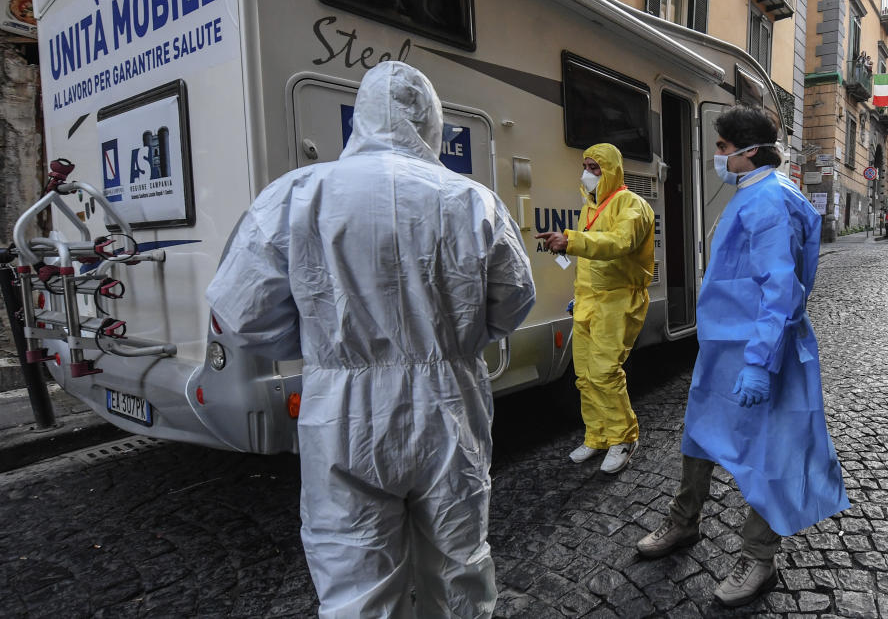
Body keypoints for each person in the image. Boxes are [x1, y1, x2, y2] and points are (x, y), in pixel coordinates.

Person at [206, 62, 536, 618]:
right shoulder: (471, 201)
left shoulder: (294, 196)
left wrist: (325, 348)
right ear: (432, 124)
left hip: (342, 415)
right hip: (449, 407)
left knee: (355, 581)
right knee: (458, 566)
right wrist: (457, 339)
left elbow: (243, 311)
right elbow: (514, 298)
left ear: (358, 120)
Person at [635, 106, 850, 608]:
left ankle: (759, 558)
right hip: (726, 349)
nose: (716, 155)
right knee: (699, 436)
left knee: (767, 451)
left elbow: (781, 289)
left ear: (748, 150)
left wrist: (758, 360)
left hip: (760, 351)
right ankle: (683, 522)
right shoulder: (755, 194)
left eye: (722, 147)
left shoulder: (770, 201)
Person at [536, 144, 654, 474]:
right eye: (586, 166)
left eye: (595, 167)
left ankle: (624, 437)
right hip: (589, 303)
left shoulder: (632, 205)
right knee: (585, 376)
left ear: (612, 169)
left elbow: (620, 243)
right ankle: (597, 436)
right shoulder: (589, 208)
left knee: (604, 373)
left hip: (618, 302)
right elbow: (590, 265)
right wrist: (579, 295)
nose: (588, 173)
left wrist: (570, 241)